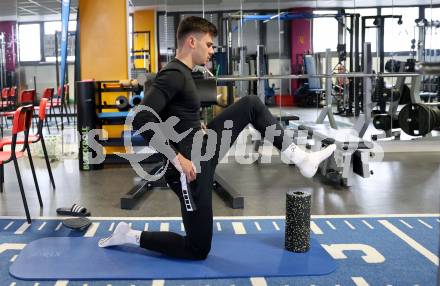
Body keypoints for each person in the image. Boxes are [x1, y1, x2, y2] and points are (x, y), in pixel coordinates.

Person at [98, 16, 336, 260]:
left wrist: (192, 125)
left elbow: (173, 115)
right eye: (209, 44)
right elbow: (141, 119)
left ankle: (300, 158)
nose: (212, 51)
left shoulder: (186, 73)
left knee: (251, 105)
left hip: (201, 147)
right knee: (197, 249)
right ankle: (129, 235)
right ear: (192, 41)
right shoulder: (173, 74)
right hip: (187, 167)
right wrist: (177, 157)